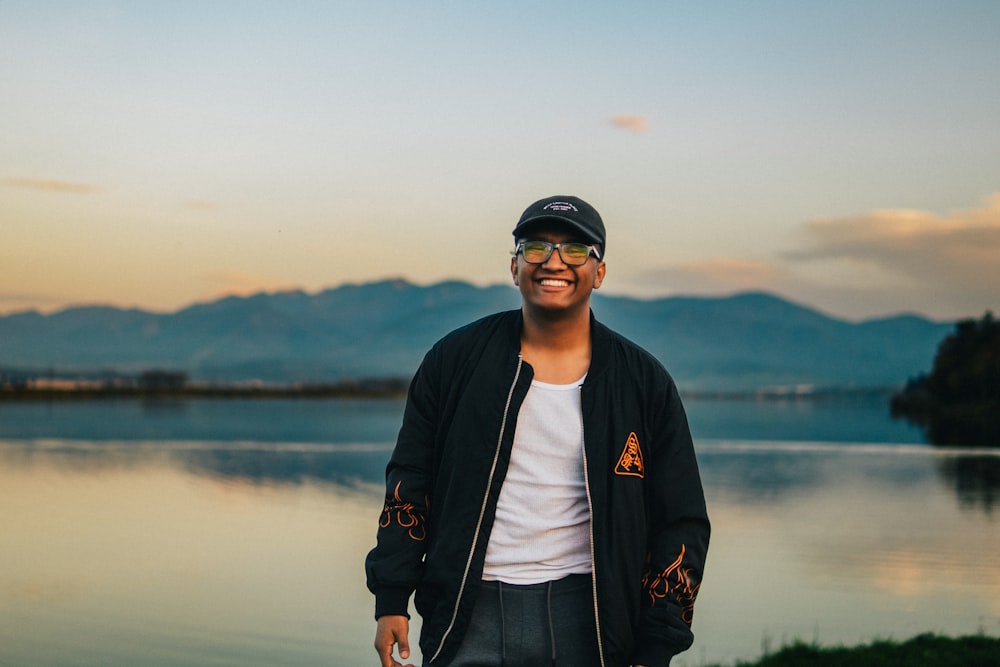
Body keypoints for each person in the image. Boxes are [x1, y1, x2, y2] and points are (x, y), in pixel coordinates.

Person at [365, 195, 710, 667]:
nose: (553, 262)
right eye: (536, 248)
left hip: (589, 613)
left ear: (599, 272)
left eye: (574, 250)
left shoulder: (642, 383)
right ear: (514, 266)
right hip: (470, 606)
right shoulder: (455, 361)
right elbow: (410, 479)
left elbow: (681, 521)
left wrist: (656, 644)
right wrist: (391, 596)